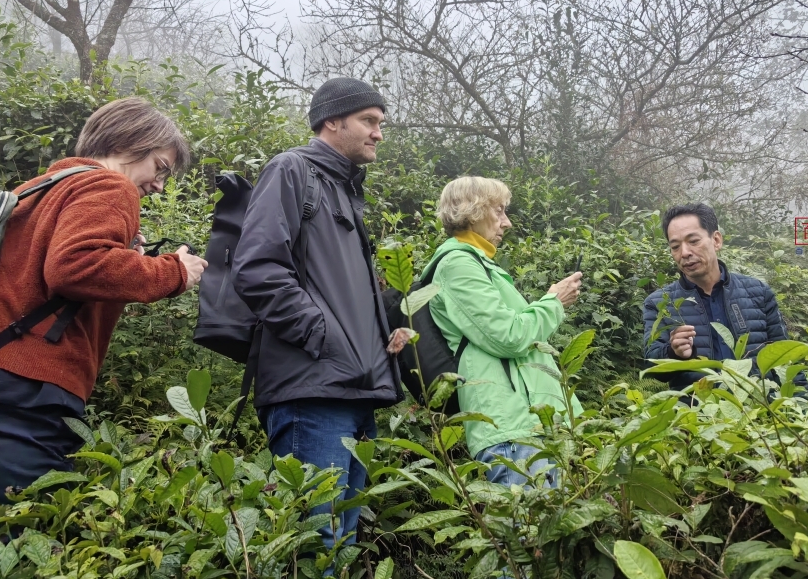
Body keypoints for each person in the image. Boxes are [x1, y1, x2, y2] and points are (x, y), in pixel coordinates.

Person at [0, 97, 208, 517]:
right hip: (29, 392)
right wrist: (174, 271)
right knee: (11, 534)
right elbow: (75, 266)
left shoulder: (37, 190)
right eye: (160, 167)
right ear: (130, 142)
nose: (160, 185)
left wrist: (127, 259)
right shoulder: (110, 185)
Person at [232, 77, 403, 552]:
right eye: (369, 121)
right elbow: (258, 268)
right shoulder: (292, 170)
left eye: (380, 123)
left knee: (343, 545)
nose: (378, 133)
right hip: (312, 390)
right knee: (317, 541)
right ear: (332, 120)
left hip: (355, 391)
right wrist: (321, 336)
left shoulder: (346, 191)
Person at [425, 176, 583, 487]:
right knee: (529, 532)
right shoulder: (458, 263)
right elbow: (509, 337)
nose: (506, 223)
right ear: (473, 211)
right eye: (499, 211)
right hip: (511, 431)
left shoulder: (481, 265)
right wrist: (554, 302)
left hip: (532, 427)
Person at [643, 203, 807, 393]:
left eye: (693, 241)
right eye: (675, 246)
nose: (685, 253)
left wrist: (802, 405)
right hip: (699, 414)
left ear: (716, 240)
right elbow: (651, 366)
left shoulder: (758, 292)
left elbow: (786, 357)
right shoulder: (660, 302)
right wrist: (674, 352)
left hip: (761, 411)